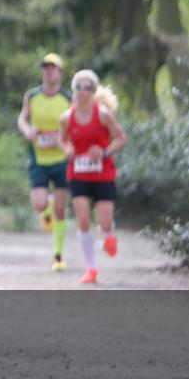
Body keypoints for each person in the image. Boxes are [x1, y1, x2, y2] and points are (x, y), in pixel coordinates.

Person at [59, 69, 127, 285]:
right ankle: (91, 269)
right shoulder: (66, 118)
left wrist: (105, 151)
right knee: (83, 220)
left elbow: (121, 138)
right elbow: (61, 141)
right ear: (73, 90)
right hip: (78, 174)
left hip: (103, 174)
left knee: (105, 223)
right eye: (78, 86)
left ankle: (108, 236)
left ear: (94, 91)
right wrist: (66, 149)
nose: (81, 90)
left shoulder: (103, 115)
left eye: (86, 87)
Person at [17, 53, 71, 270]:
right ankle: (45, 207)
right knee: (39, 205)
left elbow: (76, 123)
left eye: (53, 67)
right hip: (38, 158)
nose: (49, 71)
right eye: (46, 68)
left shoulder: (68, 98)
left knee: (61, 208)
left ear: (61, 72)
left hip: (61, 159)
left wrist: (63, 139)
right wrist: (27, 130)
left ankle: (58, 255)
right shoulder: (32, 96)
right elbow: (22, 117)